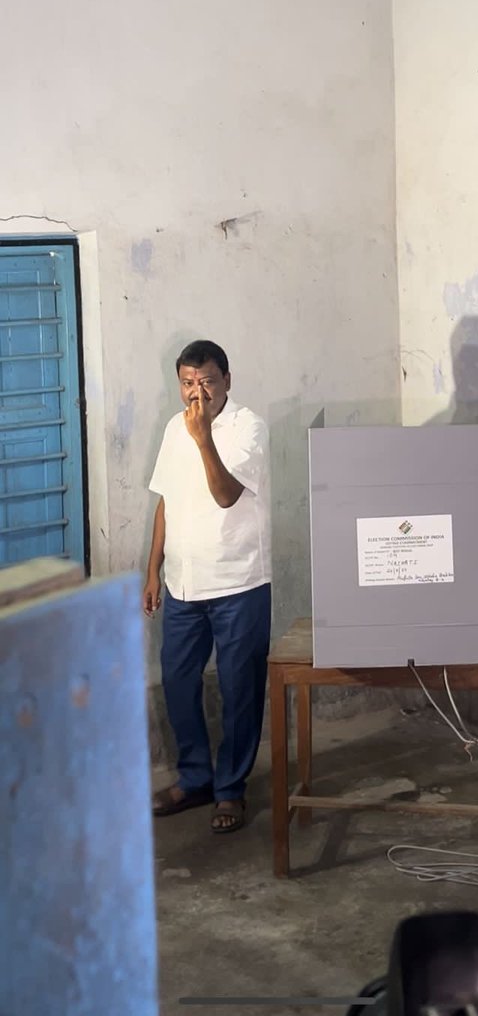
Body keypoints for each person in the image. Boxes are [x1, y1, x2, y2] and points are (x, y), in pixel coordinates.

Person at [143, 339, 271, 834]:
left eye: (208, 382)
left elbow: (225, 495)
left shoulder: (248, 428)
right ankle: (196, 778)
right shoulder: (175, 427)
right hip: (182, 583)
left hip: (239, 582)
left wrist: (204, 438)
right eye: (188, 383)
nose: (197, 393)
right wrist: (154, 569)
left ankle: (231, 790)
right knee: (178, 683)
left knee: (240, 691)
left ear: (227, 381)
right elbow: (165, 503)